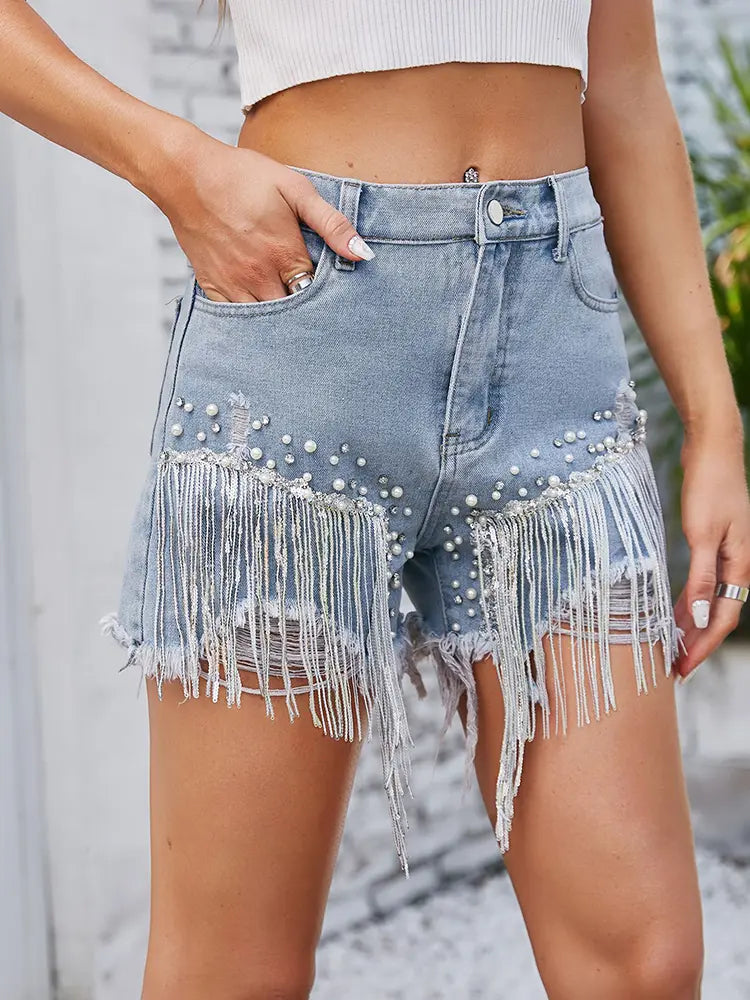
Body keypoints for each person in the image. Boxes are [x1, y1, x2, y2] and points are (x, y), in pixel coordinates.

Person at [3, 0, 748, 996]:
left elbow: (625, 89)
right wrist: (173, 163)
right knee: (234, 976)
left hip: (554, 358)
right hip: (304, 337)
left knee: (646, 965)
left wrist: (713, 423)